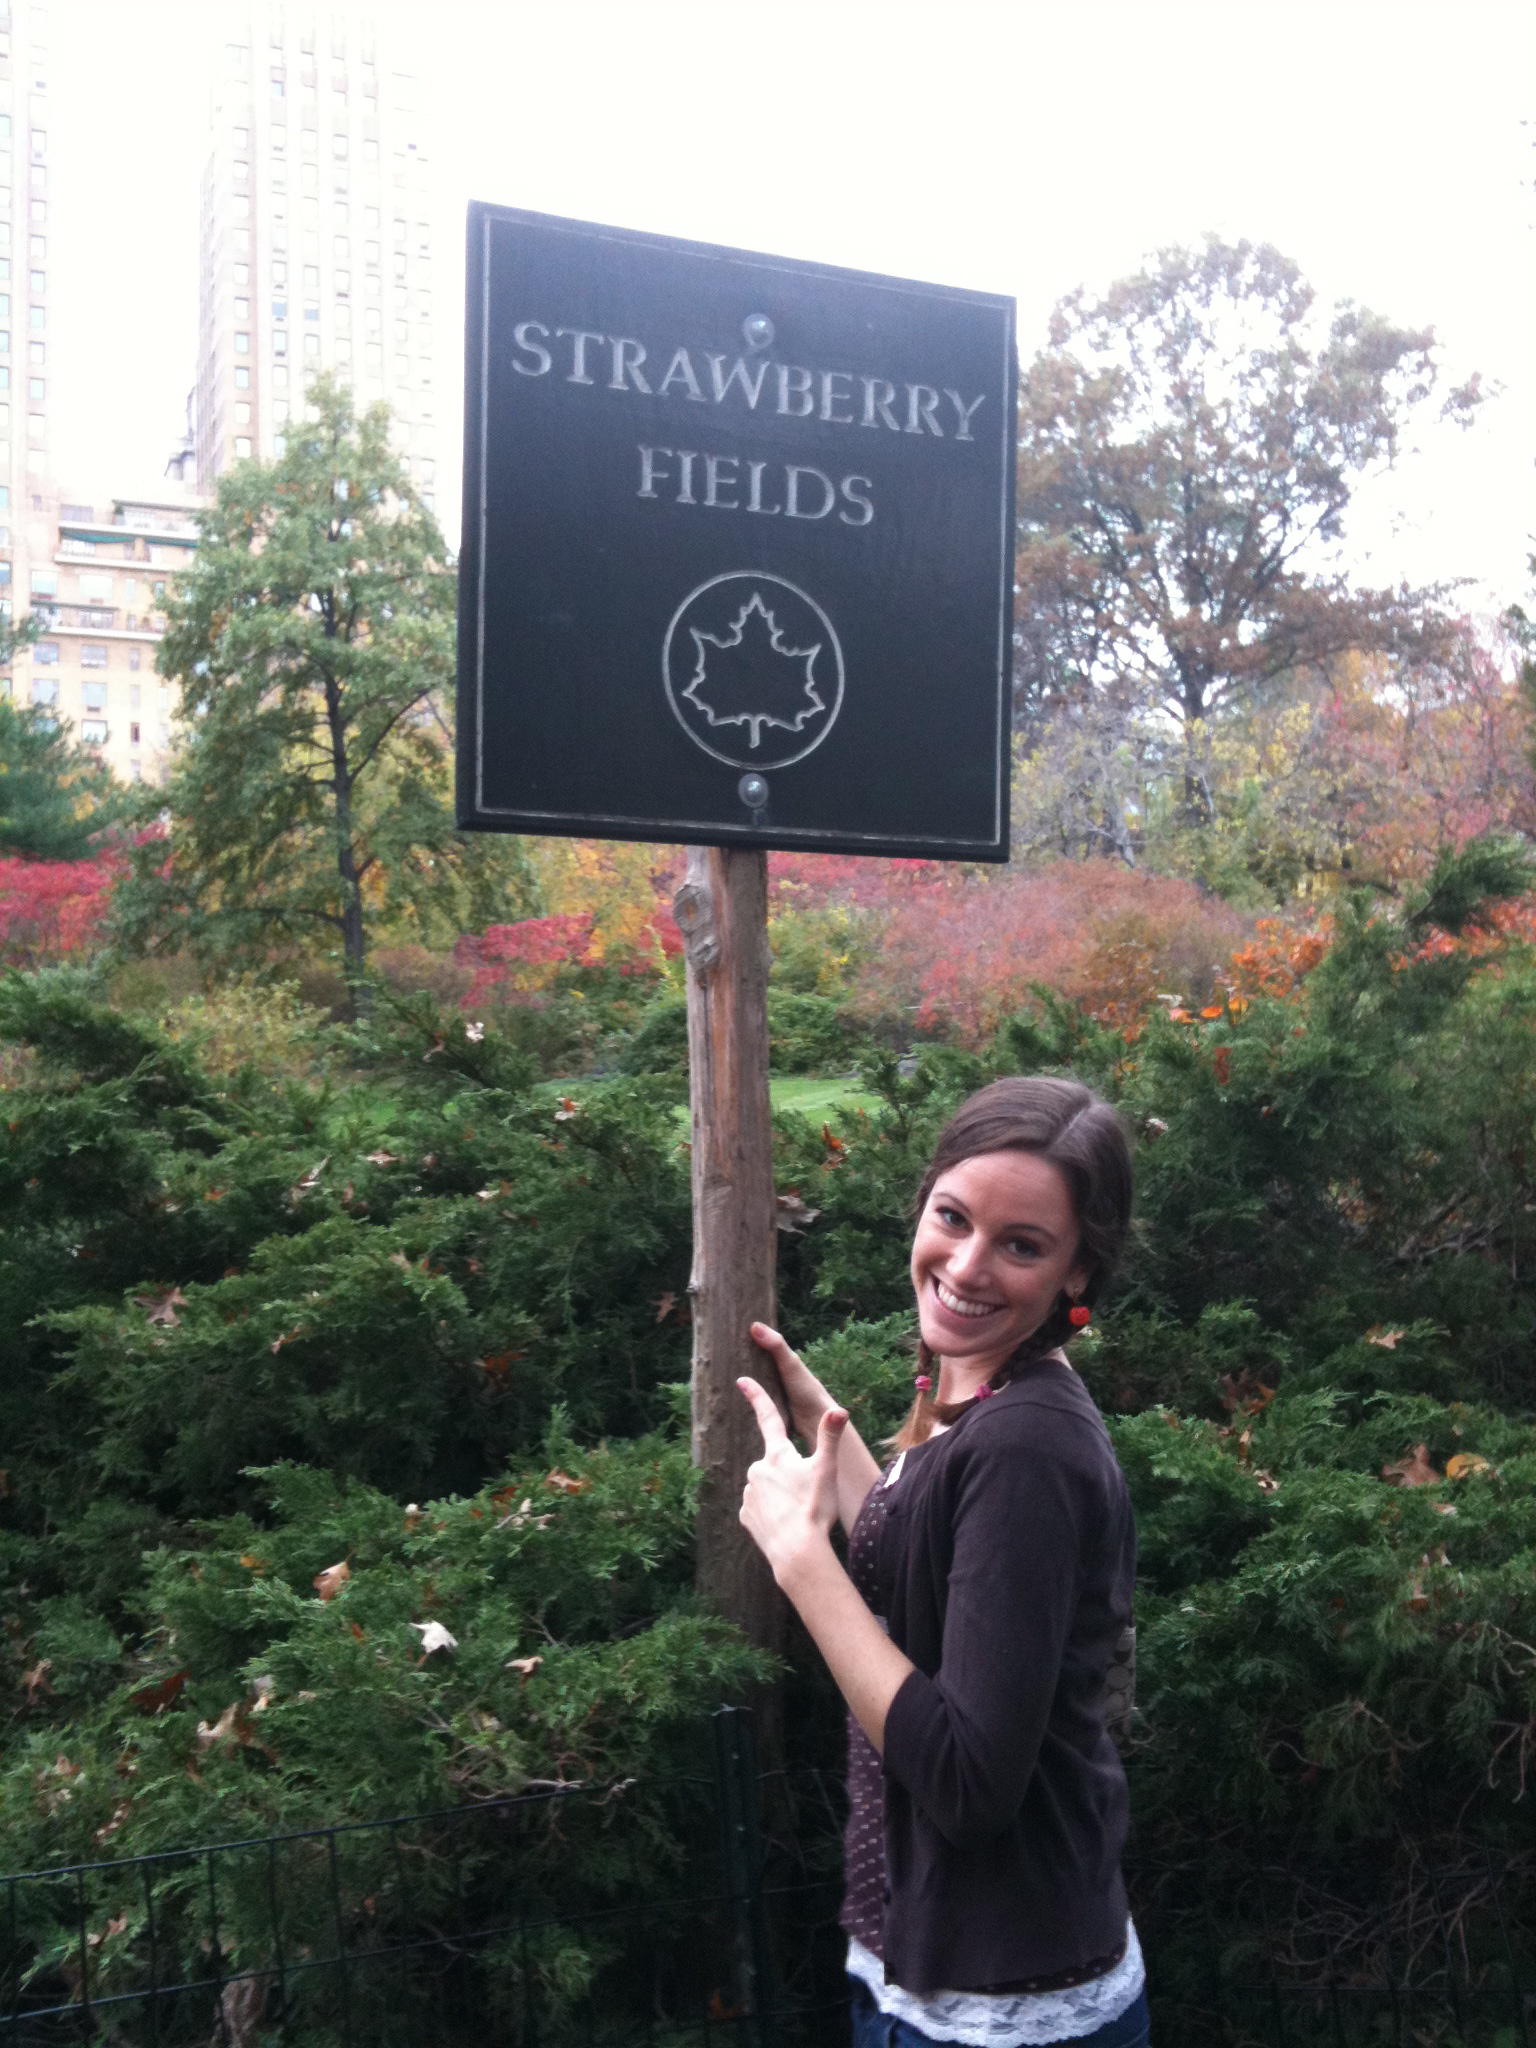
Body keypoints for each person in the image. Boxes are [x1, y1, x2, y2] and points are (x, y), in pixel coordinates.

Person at [736, 1077, 1148, 2047]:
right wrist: (815, 1419)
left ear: (1077, 1273)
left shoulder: (1028, 1444)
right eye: (952, 1216)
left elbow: (968, 1779)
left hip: (1007, 2008)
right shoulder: (984, 1384)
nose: (965, 1264)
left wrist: (803, 1563)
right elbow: (923, 1550)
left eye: (1022, 1244)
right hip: (933, 1968)